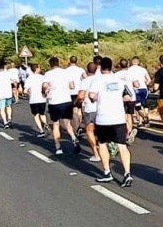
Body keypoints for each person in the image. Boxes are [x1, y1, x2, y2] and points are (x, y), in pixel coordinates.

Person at [88, 57, 135, 188]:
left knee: (102, 144)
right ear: (112, 66)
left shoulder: (97, 80)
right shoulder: (119, 80)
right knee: (122, 145)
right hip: (118, 117)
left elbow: (91, 96)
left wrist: (98, 98)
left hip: (103, 118)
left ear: (100, 67)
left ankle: (107, 172)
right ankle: (127, 173)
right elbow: (128, 96)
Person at [42, 57, 80, 156]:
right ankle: (73, 137)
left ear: (50, 64)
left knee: (56, 124)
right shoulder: (66, 72)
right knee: (67, 123)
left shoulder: (48, 74)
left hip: (54, 101)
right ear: (59, 63)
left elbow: (45, 86)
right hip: (66, 100)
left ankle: (58, 147)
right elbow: (72, 86)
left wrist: (45, 92)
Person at [128, 57, 152, 127]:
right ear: (138, 62)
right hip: (144, 89)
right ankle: (142, 121)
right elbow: (149, 80)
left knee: (137, 106)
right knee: (143, 105)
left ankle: (144, 117)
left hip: (135, 89)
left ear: (132, 62)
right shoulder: (143, 69)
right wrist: (145, 84)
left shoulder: (129, 70)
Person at [25, 62, 47, 135]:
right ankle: (45, 123)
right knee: (42, 114)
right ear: (37, 69)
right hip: (42, 98)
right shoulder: (43, 77)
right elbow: (46, 87)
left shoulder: (29, 78)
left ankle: (41, 130)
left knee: (36, 115)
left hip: (33, 99)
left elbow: (25, 90)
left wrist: (29, 93)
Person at [0, 61, 15, 128]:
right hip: (8, 93)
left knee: (2, 109)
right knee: (8, 106)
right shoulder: (8, 74)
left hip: (0, 94)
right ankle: (9, 118)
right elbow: (13, 81)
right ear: (4, 67)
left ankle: (5, 122)